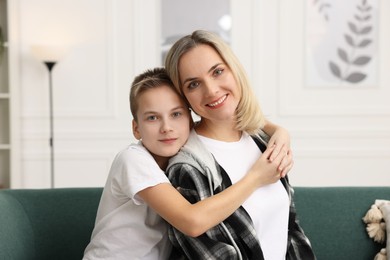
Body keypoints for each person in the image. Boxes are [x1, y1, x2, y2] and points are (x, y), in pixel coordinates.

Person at [83, 68, 294, 260]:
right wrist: (256, 178)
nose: (167, 127)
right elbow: (192, 222)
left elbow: (235, 116)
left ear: (190, 119)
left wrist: (279, 131)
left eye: (176, 114)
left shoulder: (183, 143)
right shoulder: (132, 159)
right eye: (152, 118)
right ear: (136, 129)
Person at [164, 30, 316, 260]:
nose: (211, 90)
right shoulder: (187, 167)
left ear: (234, 71)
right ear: (183, 97)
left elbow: (289, 229)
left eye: (217, 72)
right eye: (194, 84)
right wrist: (255, 177)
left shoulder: (263, 141)